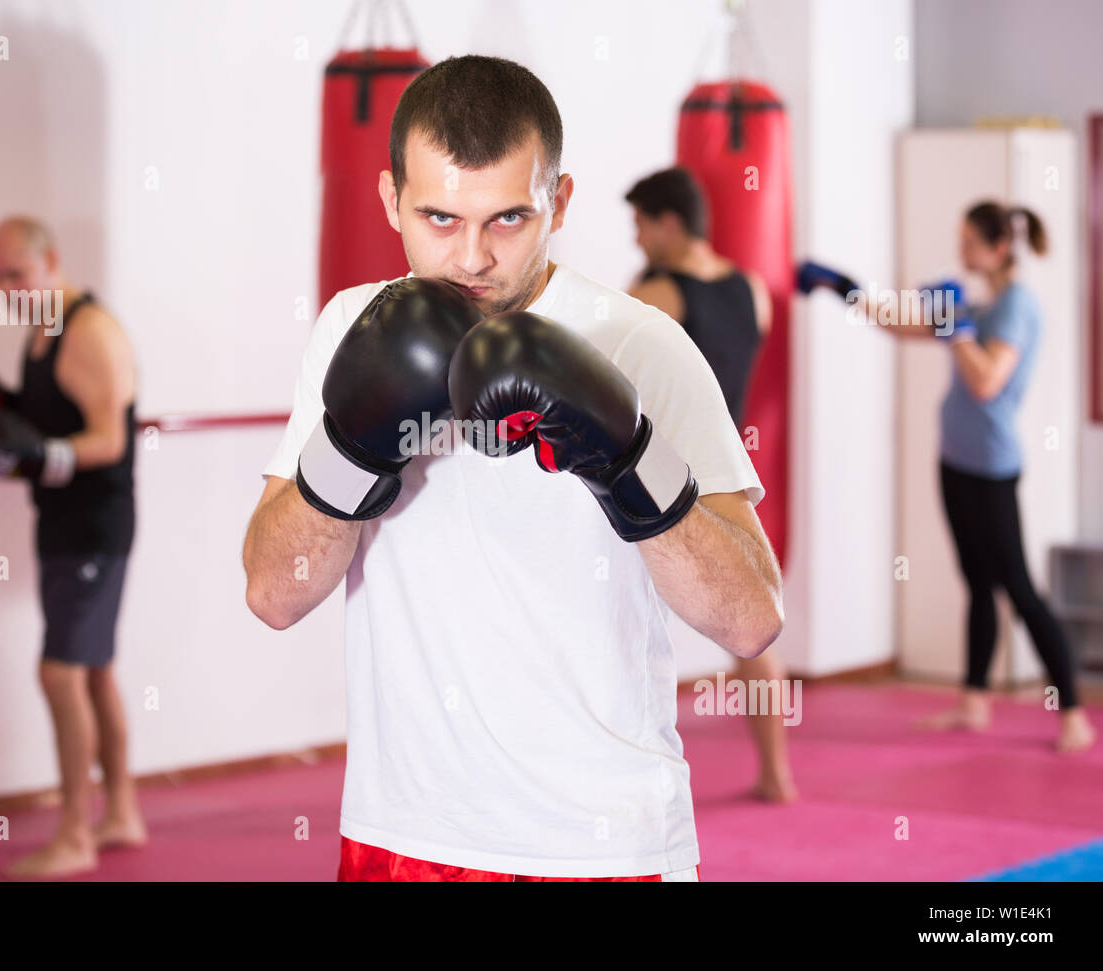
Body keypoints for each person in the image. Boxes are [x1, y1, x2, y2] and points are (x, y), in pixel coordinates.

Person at [244, 55, 784, 882]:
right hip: (402, 836)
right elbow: (274, 594)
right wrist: (353, 448)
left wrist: (626, 459)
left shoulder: (641, 344)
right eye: (438, 217)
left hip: (603, 847)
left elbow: (751, 620)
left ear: (557, 203)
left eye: (507, 219)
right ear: (389, 199)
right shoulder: (352, 327)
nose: (471, 258)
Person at [800, 202, 1095, 753]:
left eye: (969, 241)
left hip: (992, 468)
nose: (960, 251)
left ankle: (1074, 716)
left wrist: (956, 324)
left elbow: (986, 382)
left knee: (1019, 589)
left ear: (999, 248)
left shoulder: (1016, 306)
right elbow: (896, 326)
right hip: (955, 461)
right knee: (977, 584)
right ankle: (973, 702)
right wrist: (840, 286)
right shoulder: (980, 305)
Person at [0, 217, 147, 876]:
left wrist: (39, 453)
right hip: (61, 521)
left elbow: (109, 439)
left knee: (59, 673)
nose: (7, 289)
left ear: (50, 260)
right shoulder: (42, 328)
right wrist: (6, 409)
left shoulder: (90, 332)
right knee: (94, 670)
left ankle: (74, 834)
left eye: (16, 274)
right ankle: (121, 812)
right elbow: (56, 421)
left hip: (95, 528)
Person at [625, 166, 797, 802]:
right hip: (727, 476)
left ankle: (630, 785)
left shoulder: (657, 292)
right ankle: (777, 775)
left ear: (669, 223)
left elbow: (608, 384)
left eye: (641, 225)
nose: (637, 239)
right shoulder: (752, 290)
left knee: (623, 619)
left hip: (658, 479)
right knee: (751, 626)